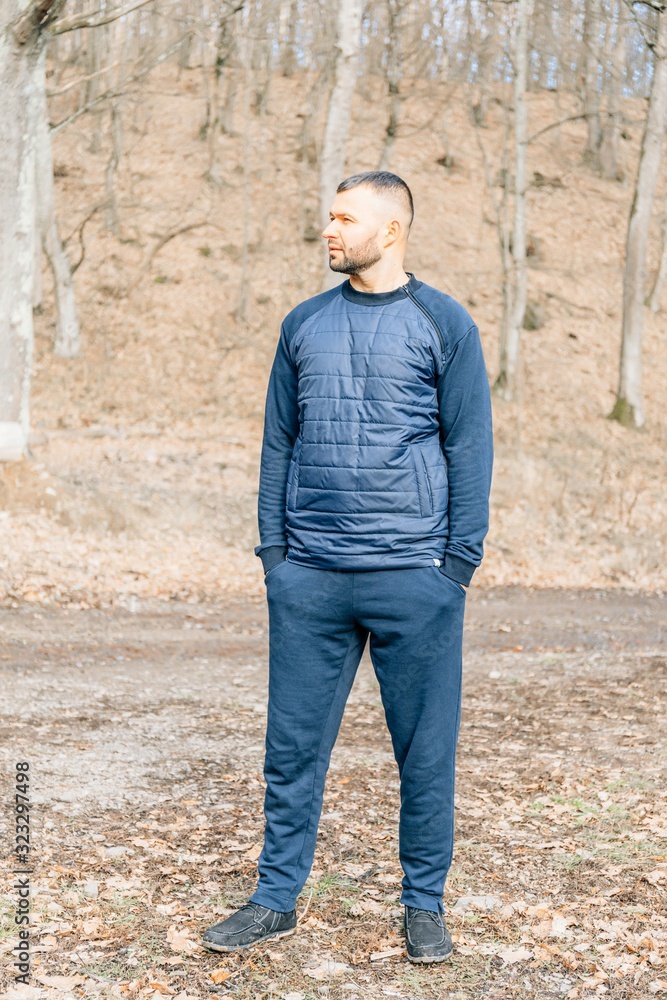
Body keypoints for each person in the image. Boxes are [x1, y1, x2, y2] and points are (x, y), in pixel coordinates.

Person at [202, 170, 494, 963]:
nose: (328, 231)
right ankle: (273, 900)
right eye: (327, 217)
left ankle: (423, 906)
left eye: (343, 218)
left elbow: (469, 446)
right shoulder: (303, 324)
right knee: (291, 751)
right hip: (311, 578)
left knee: (424, 753)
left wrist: (455, 563)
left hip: (414, 577)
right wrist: (276, 558)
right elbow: (277, 445)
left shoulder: (443, 323)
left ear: (391, 229)